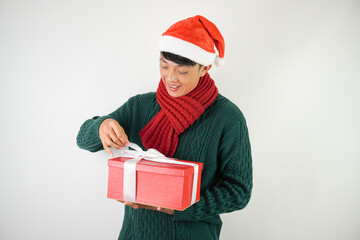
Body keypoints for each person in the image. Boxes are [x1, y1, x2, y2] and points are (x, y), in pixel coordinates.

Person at [76, 15, 253, 240]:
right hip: (136, 235)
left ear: (205, 67)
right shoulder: (140, 106)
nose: (171, 78)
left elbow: (239, 192)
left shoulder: (228, 118)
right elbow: (83, 139)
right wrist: (101, 126)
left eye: (182, 71)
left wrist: (181, 205)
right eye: (164, 66)